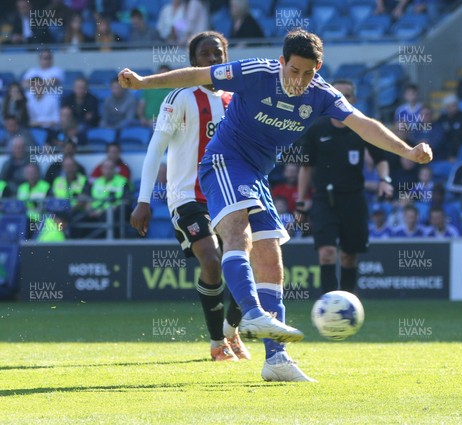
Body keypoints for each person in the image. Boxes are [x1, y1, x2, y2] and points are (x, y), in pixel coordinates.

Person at [118, 29, 432, 382]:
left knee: (270, 256)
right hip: (222, 160)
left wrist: (406, 150)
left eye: (308, 73)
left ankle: (277, 359)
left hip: (256, 174)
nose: (299, 80)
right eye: (294, 70)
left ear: (319, 68)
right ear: (282, 62)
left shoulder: (321, 94)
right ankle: (250, 313)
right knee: (239, 236)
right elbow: (197, 75)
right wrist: (143, 83)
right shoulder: (256, 72)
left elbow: (363, 124)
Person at [130, 31, 249, 362]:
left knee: (246, 263)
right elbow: (157, 147)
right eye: (206, 53)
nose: (213, 58)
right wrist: (143, 200)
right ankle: (217, 344)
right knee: (211, 262)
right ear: (194, 61)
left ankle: (231, 331)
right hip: (186, 196)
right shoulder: (180, 96)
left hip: (228, 195)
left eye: (219, 53)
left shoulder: (236, 99)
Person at [296, 79, 393, 294]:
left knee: (349, 256)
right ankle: (328, 304)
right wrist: (301, 201)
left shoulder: (363, 127)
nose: (341, 99)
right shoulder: (316, 128)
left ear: (354, 100)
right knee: (327, 252)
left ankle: (349, 304)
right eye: (336, 95)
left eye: (346, 96)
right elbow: (306, 167)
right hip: (324, 199)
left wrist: (385, 181)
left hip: (353, 199)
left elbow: (381, 158)